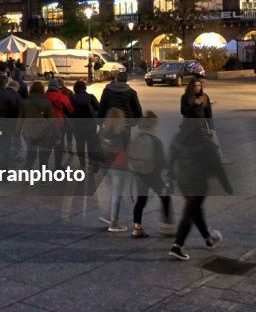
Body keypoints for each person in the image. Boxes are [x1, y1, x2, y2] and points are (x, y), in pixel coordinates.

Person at [168, 117, 233, 260]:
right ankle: (177, 246)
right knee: (190, 212)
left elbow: (170, 159)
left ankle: (208, 239)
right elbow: (217, 167)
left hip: (183, 181)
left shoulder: (177, 139)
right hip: (198, 183)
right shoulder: (206, 143)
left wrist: (169, 180)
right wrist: (227, 186)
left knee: (194, 209)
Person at [128, 111, 174, 239]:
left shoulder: (136, 138)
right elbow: (162, 161)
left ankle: (137, 228)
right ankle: (167, 227)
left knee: (140, 202)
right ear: (153, 125)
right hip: (153, 175)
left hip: (140, 174)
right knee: (165, 198)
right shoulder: (155, 141)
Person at [98, 108, 130, 232]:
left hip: (105, 164)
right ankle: (114, 222)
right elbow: (127, 149)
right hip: (119, 165)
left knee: (112, 190)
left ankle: (110, 215)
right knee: (117, 193)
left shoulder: (102, 132)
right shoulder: (123, 132)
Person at [20, 81, 57, 169]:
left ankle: (26, 176)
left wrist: (17, 132)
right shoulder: (46, 102)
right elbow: (52, 120)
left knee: (30, 155)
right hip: (44, 133)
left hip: (28, 132)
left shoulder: (24, 102)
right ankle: (42, 180)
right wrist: (57, 134)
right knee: (43, 157)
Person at [68, 80, 100, 171]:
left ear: (75, 88)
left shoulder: (72, 98)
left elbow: (68, 110)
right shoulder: (91, 97)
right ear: (84, 88)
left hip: (77, 125)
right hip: (91, 124)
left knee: (80, 144)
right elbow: (98, 108)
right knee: (91, 144)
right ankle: (90, 163)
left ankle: (82, 164)